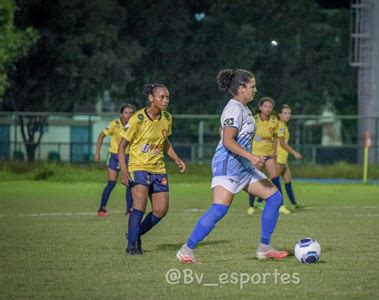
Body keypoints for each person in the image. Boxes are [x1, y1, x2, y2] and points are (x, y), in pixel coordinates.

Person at [176, 69, 288, 263]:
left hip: (242, 166)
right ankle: (186, 249)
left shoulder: (243, 109)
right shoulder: (234, 108)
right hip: (227, 164)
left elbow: (225, 132)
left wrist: (253, 156)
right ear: (241, 88)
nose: (255, 90)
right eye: (252, 86)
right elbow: (227, 141)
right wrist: (251, 157)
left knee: (275, 198)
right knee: (219, 209)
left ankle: (264, 247)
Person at [118, 83, 186, 255]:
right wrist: (124, 171)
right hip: (139, 166)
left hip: (158, 169)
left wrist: (176, 158)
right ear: (151, 98)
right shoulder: (137, 119)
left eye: (167, 97)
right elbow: (121, 146)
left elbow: (164, 141)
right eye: (161, 97)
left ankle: (135, 234)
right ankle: (132, 246)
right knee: (139, 205)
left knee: (161, 210)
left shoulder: (167, 117)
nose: (165, 100)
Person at [94, 104, 134, 217]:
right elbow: (101, 136)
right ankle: (102, 208)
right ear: (121, 114)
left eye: (131, 113)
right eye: (126, 112)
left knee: (128, 183)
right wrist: (97, 152)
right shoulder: (114, 124)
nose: (129, 115)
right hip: (114, 156)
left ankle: (129, 210)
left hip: (127, 156)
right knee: (111, 183)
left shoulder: (134, 125)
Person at [246, 97, 284, 215]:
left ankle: (280, 205)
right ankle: (252, 206)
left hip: (269, 154)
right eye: (265, 106)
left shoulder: (274, 120)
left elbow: (277, 138)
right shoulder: (254, 119)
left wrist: (275, 151)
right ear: (260, 107)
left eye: (270, 107)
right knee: (254, 178)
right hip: (256, 154)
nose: (268, 109)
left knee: (275, 178)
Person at [275, 104, 305, 210]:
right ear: (279, 114)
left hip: (283, 157)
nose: (288, 115)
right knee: (273, 181)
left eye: (289, 113)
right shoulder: (281, 125)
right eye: (285, 113)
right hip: (279, 156)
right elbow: (281, 142)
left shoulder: (283, 125)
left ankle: (294, 203)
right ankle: (260, 200)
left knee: (287, 179)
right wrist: (294, 152)